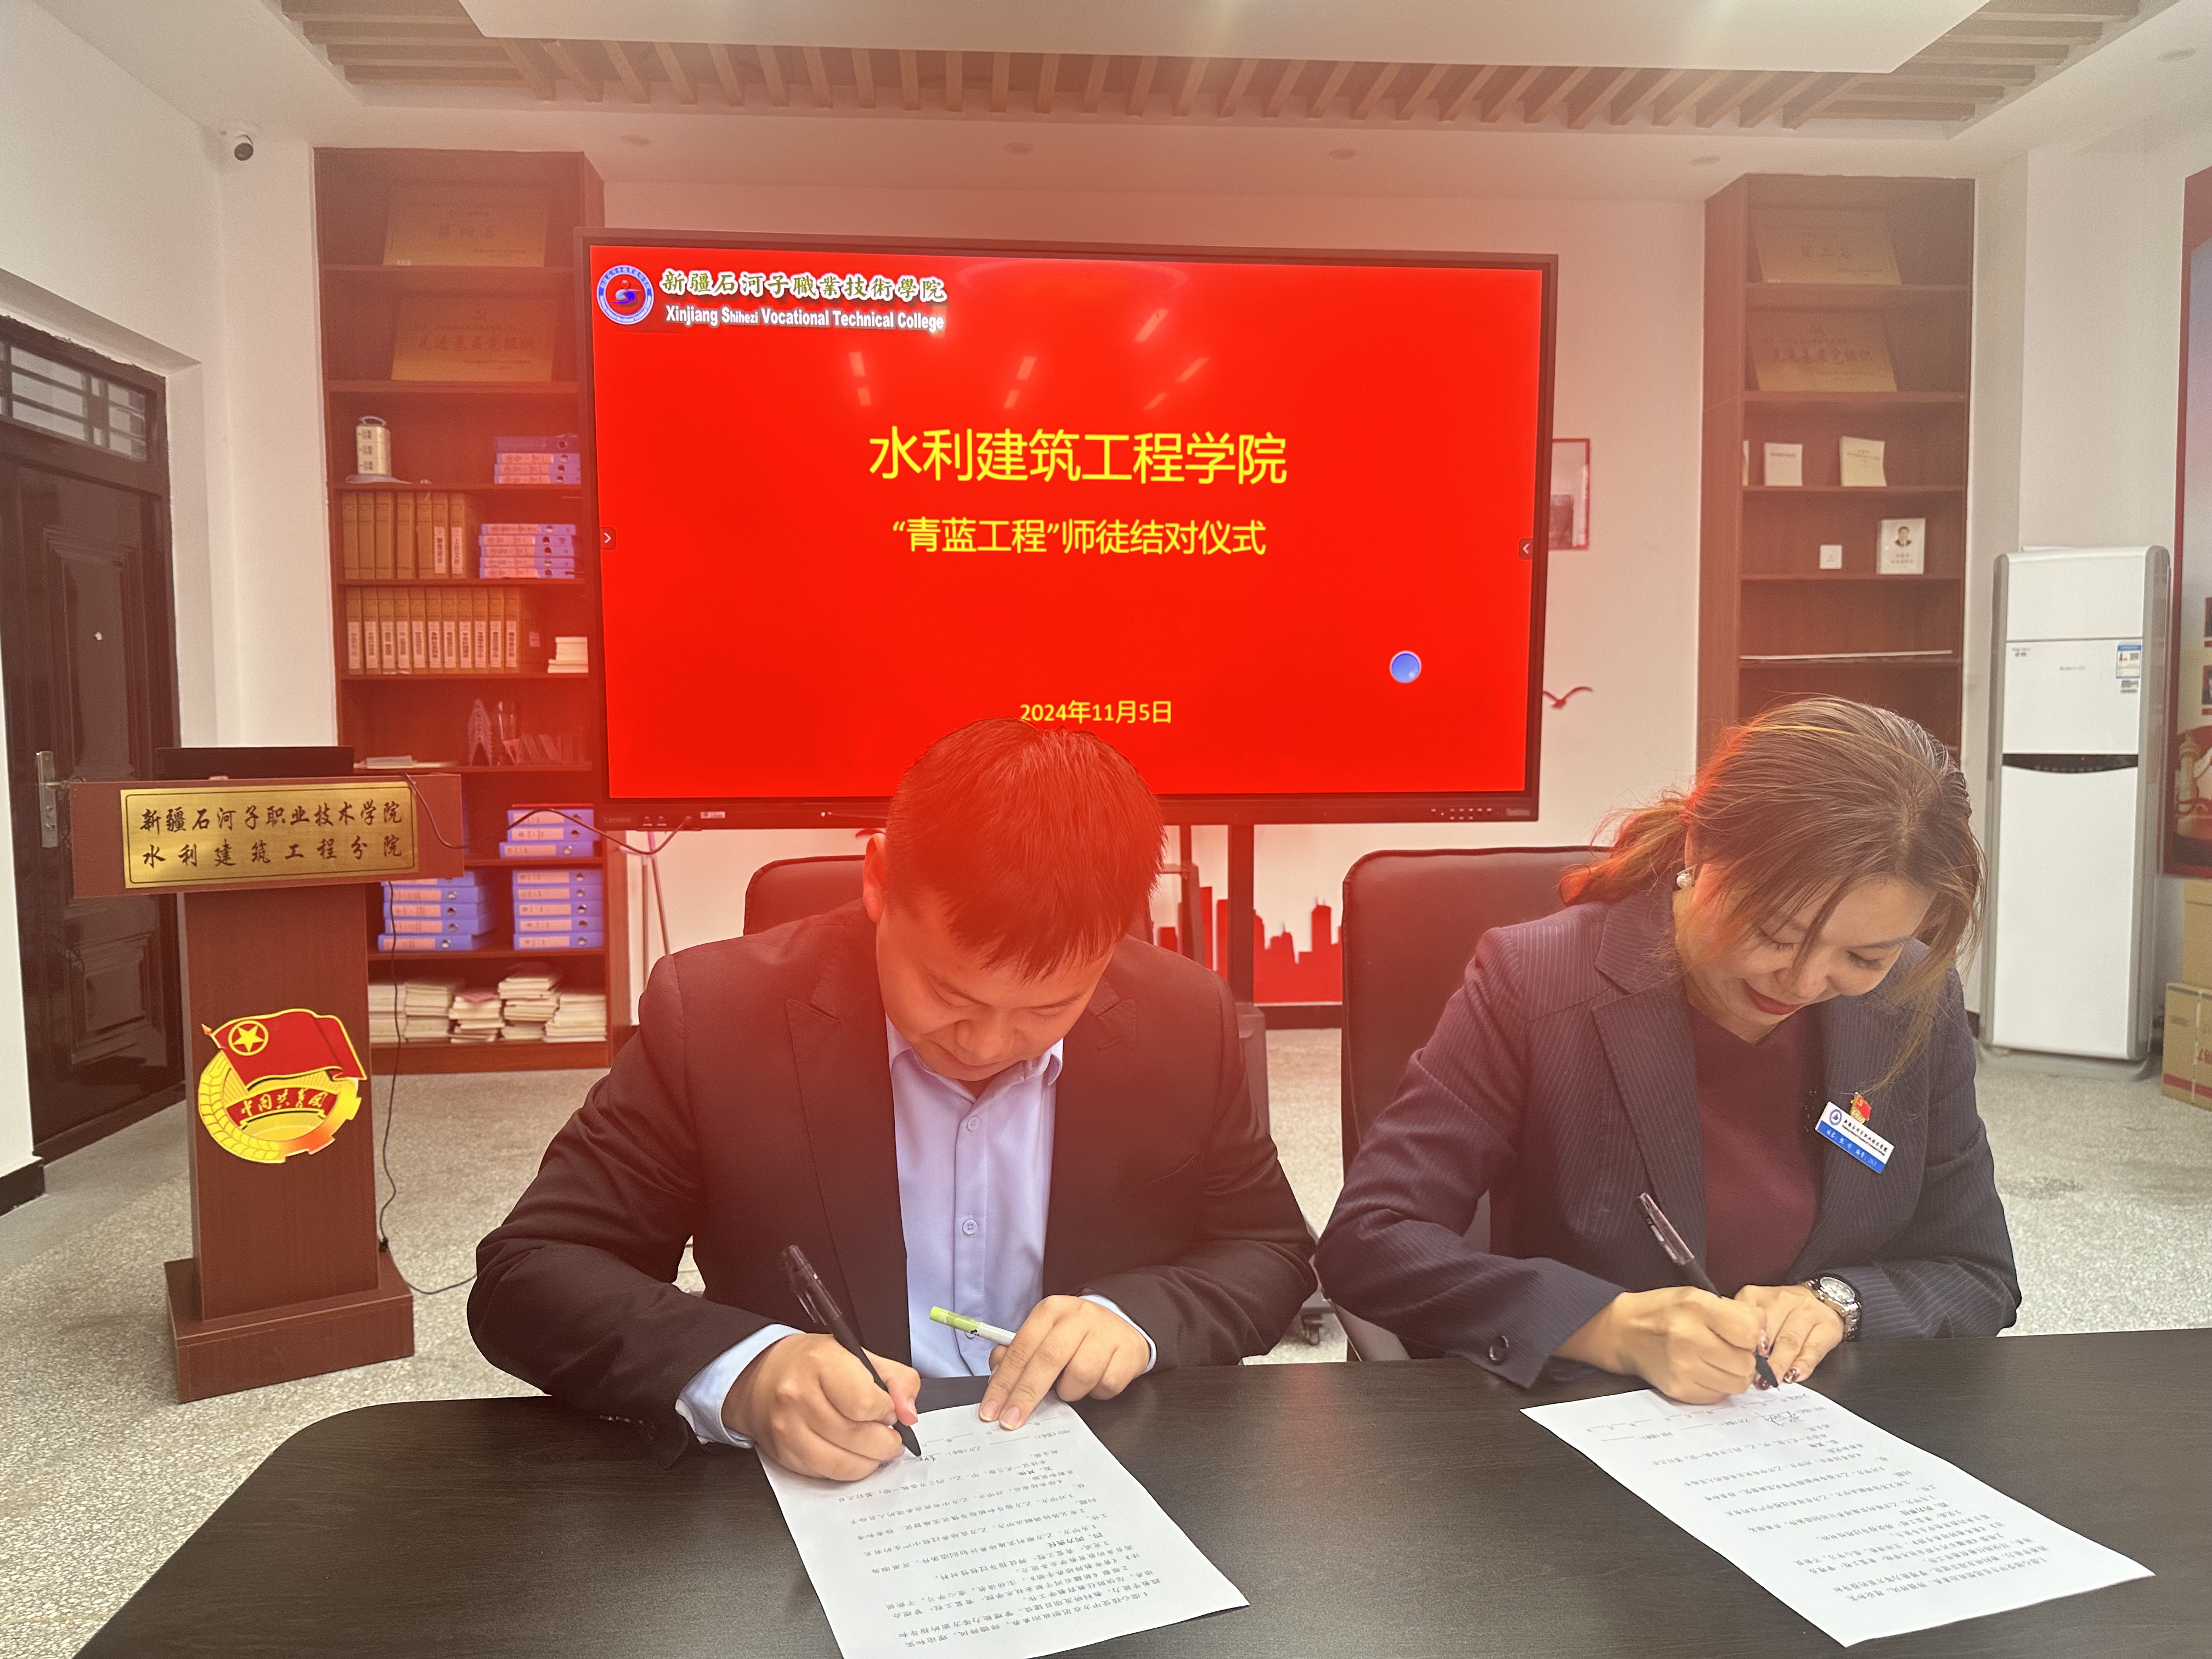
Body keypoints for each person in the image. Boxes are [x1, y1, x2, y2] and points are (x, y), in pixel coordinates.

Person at [471, 719, 1314, 1475]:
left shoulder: (1181, 1017)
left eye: (1049, 1008)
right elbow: (531, 1274)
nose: (986, 1045)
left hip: (1098, 1467)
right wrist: (747, 1371)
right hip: (822, 1486)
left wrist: (1137, 1317)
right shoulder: (717, 1017)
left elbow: (1269, 1250)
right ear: (878, 879)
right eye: (948, 994)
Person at [1317, 697, 2017, 1404]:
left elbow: (1977, 1271)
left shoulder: (1910, 999)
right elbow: (1369, 1242)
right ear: (1697, 849)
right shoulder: (1537, 982)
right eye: (1774, 934)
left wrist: (1840, 1303)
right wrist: (1604, 1325)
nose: (1806, 983)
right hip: (1589, 1419)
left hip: (1813, 1427)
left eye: (1865, 956)